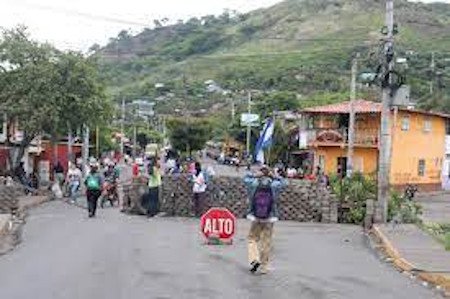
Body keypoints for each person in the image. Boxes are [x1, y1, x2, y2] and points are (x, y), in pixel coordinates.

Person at [243, 165, 286, 275]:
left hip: (256, 216)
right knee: (266, 242)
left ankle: (254, 259)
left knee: (252, 239)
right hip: (270, 217)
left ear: (260, 173)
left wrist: (254, 175)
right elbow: (284, 182)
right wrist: (275, 176)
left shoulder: (253, 183)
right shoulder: (274, 185)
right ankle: (264, 267)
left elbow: (245, 178)